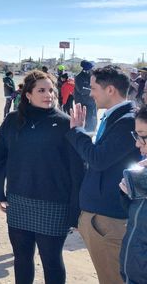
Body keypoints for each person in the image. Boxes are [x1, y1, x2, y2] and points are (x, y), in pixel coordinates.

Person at [0, 70, 85, 284]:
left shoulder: (66, 123)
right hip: (18, 201)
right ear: (28, 95)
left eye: (51, 90)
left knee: (51, 260)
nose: (49, 95)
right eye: (41, 90)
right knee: (22, 258)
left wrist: (75, 210)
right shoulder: (12, 120)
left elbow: (78, 170)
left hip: (55, 204)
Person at [67, 65, 141, 284]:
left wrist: (76, 131)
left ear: (110, 90)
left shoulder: (127, 120)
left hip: (110, 219)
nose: (90, 94)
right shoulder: (117, 117)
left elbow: (98, 159)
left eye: (93, 88)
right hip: (102, 216)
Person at [118, 105, 147, 284]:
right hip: (133, 271)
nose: (137, 144)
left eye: (142, 136)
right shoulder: (143, 170)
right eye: (136, 135)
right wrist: (128, 193)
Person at [74, 60, 97, 131]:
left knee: (92, 119)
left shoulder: (92, 77)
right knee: (85, 121)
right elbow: (82, 90)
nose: (93, 70)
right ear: (87, 70)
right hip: (83, 103)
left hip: (91, 102)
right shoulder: (79, 77)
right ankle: (87, 133)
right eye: (91, 68)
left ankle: (92, 131)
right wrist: (92, 89)